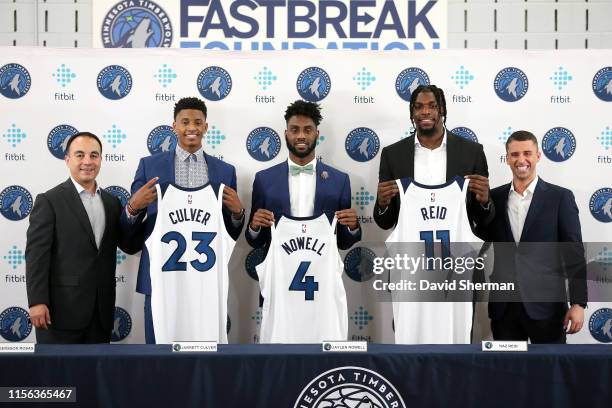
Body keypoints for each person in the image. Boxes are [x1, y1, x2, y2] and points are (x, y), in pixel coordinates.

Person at [121, 97, 244, 343]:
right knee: (159, 359)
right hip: (161, 279)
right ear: (174, 126)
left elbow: (229, 232)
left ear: (206, 127)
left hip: (205, 279)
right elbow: (128, 232)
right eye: (185, 122)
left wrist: (238, 213)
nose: (191, 128)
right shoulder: (149, 166)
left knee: (206, 356)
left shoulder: (224, 171)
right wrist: (133, 207)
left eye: (198, 122)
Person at [26, 132, 142, 343]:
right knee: (57, 376)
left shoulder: (112, 202)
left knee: (95, 376)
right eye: (80, 155)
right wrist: (36, 302)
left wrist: (138, 210)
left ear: (100, 159)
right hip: (59, 313)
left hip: (101, 315)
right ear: (67, 160)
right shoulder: (49, 201)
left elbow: (129, 245)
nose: (87, 161)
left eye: (94, 155)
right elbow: (36, 257)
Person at [478, 130, 587, 343]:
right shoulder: (494, 198)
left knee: (550, 374)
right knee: (506, 374)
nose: (521, 160)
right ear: (507, 158)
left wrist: (578, 303)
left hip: (548, 309)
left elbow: (573, 252)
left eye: (527, 153)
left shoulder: (560, 198)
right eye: (515, 154)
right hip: (504, 309)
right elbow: (480, 238)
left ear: (537, 156)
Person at [373, 84, 494, 231]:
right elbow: (384, 222)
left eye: (432, 106)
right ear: (412, 113)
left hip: (458, 250)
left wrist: (484, 202)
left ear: (442, 109)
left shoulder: (472, 152)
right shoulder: (392, 155)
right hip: (410, 250)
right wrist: (383, 205)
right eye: (418, 107)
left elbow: (484, 220)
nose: (425, 112)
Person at [246, 100, 360, 250]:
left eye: (307, 130)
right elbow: (256, 242)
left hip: (322, 269)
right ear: (286, 134)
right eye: (294, 130)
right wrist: (254, 228)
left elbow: (344, 243)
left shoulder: (340, 181)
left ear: (317, 134)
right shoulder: (263, 180)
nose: (301, 136)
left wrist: (353, 227)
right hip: (279, 270)